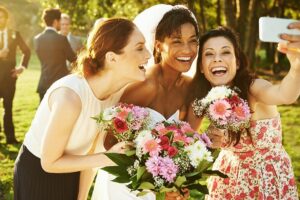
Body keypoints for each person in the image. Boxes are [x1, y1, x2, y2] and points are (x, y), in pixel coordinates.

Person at [13, 18, 150, 200]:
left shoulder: (117, 95)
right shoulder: (70, 98)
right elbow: (50, 162)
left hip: (73, 169)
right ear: (112, 58)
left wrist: (82, 196)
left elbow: (91, 154)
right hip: (38, 175)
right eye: (140, 48)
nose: (148, 55)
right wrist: (110, 157)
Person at [90, 5, 199, 200]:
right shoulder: (143, 86)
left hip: (159, 186)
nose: (187, 49)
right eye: (177, 41)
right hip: (125, 185)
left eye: (193, 41)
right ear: (158, 45)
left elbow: (187, 145)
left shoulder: (190, 89)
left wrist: (174, 184)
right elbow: (109, 143)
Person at [189, 26, 300, 199]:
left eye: (225, 52)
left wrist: (296, 67)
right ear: (202, 67)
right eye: (209, 54)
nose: (217, 58)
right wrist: (208, 141)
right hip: (227, 179)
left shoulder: (253, 87)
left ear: (237, 62)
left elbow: (284, 94)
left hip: (265, 179)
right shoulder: (206, 99)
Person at [0, 6, 30, 144]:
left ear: (6, 19)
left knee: (8, 107)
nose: (0, 19)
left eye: (2, 17)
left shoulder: (14, 33)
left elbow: (26, 51)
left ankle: (10, 138)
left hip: (9, 78)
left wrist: (21, 68)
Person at [34, 8, 76, 101]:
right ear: (56, 21)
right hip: (60, 85)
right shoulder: (62, 39)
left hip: (43, 85)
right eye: (60, 21)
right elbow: (74, 59)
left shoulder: (37, 39)